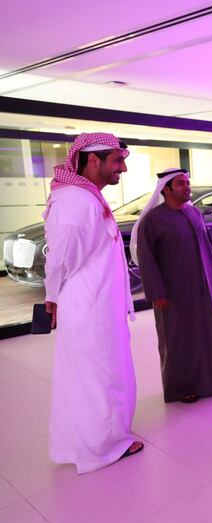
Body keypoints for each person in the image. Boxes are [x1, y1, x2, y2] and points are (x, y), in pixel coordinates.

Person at [43, 132, 142, 473]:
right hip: (90, 308)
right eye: (117, 160)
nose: (123, 168)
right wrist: (52, 296)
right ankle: (101, 447)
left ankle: (90, 441)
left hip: (97, 305)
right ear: (92, 160)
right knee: (98, 378)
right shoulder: (77, 202)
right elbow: (60, 260)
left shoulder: (86, 196)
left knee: (94, 377)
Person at [131, 168, 212, 403]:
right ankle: (180, 387)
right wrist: (156, 292)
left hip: (205, 287)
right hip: (173, 291)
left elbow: (206, 246)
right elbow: (146, 259)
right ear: (166, 189)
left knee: (211, 332)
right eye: (181, 184)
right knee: (178, 337)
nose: (187, 187)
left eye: (187, 183)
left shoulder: (194, 213)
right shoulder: (152, 221)